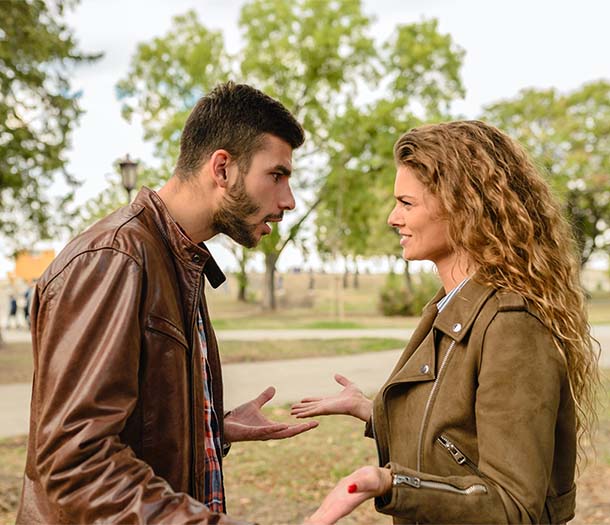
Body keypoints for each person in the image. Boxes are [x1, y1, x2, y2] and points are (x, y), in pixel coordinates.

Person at [17, 81, 318, 525]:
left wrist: (211, 429)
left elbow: (132, 427)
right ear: (222, 169)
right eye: (277, 175)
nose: (288, 201)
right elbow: (74, 464)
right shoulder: (115, 259)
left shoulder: (178, 259)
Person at [294, 120, 600, 524]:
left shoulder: (512, 325)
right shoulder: (450, 307)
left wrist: (391, 485)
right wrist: (373, 411)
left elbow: (513, 506)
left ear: (462, 207)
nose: (392, 218)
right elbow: (456, 436)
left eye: (407, 203)